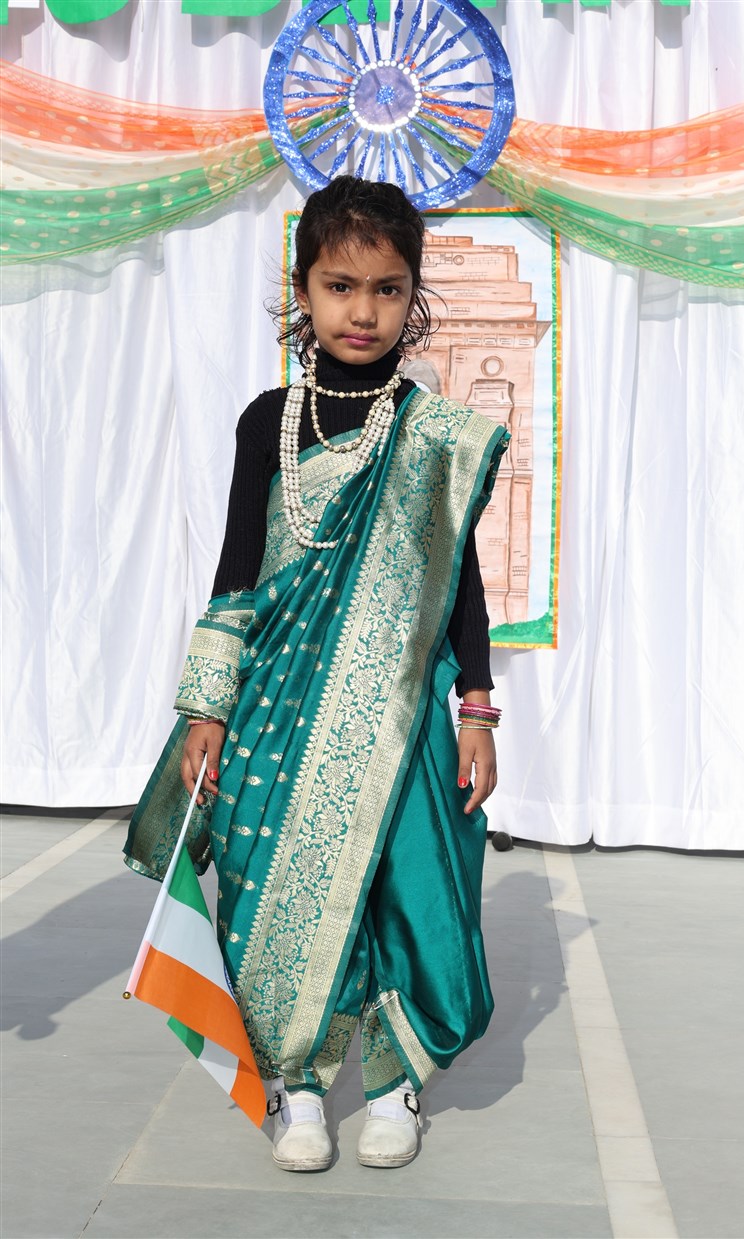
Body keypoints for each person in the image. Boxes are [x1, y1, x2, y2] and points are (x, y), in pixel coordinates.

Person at [124, 175, 509, 1173]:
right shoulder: (268, 420)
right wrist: (208, 707)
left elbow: (461, 583)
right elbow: (236, 566)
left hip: (401, 712)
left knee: (398, 889)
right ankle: (296, 1083)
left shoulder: (432, 433)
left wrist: (476, 710)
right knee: (267, 885)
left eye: (387, 288)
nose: (363, 311)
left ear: (412, 294)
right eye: (341, 286)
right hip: (278, 702)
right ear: (303, 290)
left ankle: (390, 1085)